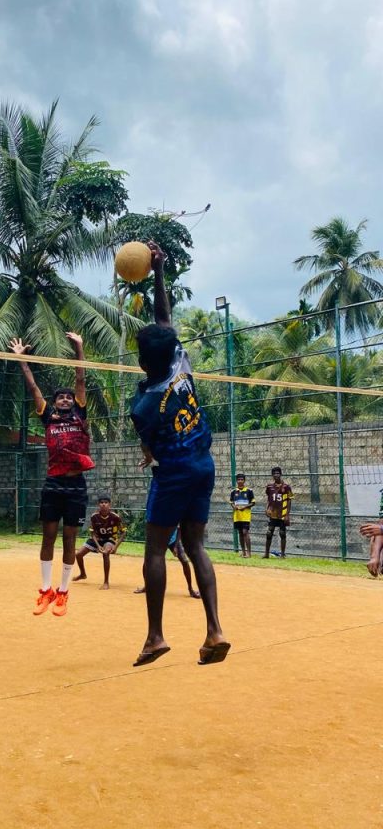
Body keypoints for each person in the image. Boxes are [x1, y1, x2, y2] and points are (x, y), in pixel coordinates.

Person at [129, 241, 230, 666]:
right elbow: (164, 319)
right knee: (196, 544)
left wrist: (148, 450)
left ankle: (155, 636)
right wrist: (158, 271)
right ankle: (214, 630)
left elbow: (148, 449)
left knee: (155, 549)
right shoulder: (180, 365)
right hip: (203, 466)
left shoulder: (143, 405)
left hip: (173, 473)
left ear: (141, 363)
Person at [9, 331, 94, 617]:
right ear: (55, 402)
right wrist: (22, 360)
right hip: (54, 483)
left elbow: (80, 378)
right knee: (48, 537)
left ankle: (63, 592)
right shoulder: (48, 416)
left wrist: (79, 348)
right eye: (61, 397)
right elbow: (33, 386)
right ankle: (46, 590)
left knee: (69, 539)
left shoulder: (79, 414)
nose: (66, 399)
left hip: (76, 485)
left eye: (69, 397)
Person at [73, 495, 126, 590]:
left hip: (110, 539)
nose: (103, 504)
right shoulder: (94, 516)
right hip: (97, 539)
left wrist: (115, 547)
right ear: (98, 505)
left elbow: (124, 532)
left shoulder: (115, 517)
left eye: (106, 502)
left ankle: (106, 582)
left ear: (109, 505)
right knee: (78, 554)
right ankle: (82, 574)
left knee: (105, 553)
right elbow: (92, 532)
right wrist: (97, 545)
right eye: (101, 503)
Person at [134, 527, 201, 599]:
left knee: (184, 561)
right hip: (159, 539)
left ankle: (190, 589)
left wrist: (176, 546)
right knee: (147, 561)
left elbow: (179, 528)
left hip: (173, 541)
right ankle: (146, 587)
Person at [264, 466, 293, 558]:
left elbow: (289, 500)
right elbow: (268, 498)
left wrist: (287, 514)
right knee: (269, 533)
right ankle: (266, 554)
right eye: (274, 474)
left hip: (282, 513)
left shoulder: (286, 487)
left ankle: (282, 554)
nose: (276, 475)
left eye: (278, 473)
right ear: (272, 475)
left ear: (280, 474)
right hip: (273, 513)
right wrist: (266, 508)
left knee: (282, 533)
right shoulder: (269, 486)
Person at [230, 472, 255, 557]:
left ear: (244, 480)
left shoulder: (249, 491)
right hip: (237, 516)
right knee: (240, 533)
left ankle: (249, 553)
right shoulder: (233, 491)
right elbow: (231, 502)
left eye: (242, 479)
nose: (240, 481)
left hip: (246, 516)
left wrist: (245, 507)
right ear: (236, 481)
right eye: (238, 479)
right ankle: (243, 552)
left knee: (245, 532)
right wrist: (234, 506)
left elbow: (253, 502)